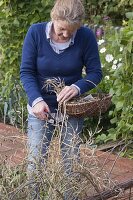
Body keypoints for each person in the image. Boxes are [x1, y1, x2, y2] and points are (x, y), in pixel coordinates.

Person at [20, 0, 102, 199]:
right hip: (41, 109)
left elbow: (95, 73)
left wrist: (76, 87)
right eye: (62, 29)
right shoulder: (35, 33)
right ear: (53, 18)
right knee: (35, 163)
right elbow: (26, 72)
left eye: (71, 32)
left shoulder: (86, 36)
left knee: (71, 164)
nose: (65, 35)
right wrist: (36, 100)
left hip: (71, 108)